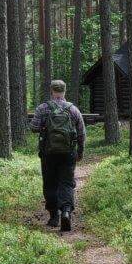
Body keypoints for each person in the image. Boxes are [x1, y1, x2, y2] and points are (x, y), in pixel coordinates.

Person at [29, 80, 86, 231]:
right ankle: (66, 212)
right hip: (68, 153)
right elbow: (81, 133)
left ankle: (54, 216)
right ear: (64, 91)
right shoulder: (73, 109)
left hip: (48, 153)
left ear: (51, 91)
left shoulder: (43, 108)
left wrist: (43, 127)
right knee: (67, 183)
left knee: (50, 183)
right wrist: (80, 152)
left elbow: (33, 128)